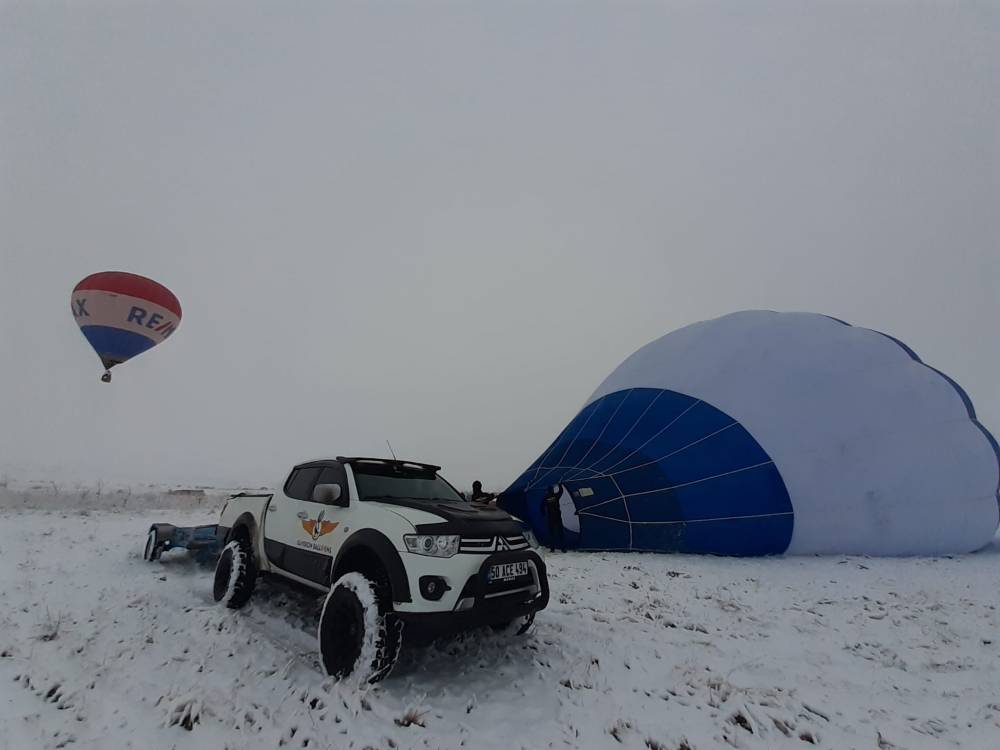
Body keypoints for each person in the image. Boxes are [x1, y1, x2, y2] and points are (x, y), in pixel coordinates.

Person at [541, 483, 567, 552]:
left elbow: (541, 506)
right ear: (552, 490)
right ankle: (563, 548)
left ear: (548, 491)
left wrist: (543, 514)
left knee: (551, 533)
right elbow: (561, 491)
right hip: (557, 516)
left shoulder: (546, 497)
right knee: (560, 532)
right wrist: (560, 484)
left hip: (550, 518)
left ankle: (552, 548)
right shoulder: (556, 496)